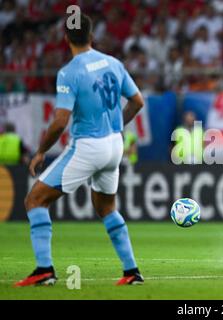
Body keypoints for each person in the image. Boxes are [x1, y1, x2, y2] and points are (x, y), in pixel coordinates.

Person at [14, 13, 145, 286]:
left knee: (35, 200)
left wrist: (40, 151)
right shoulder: (114, 63)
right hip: (114, 145)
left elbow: (60, 120)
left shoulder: (69, 72)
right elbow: (137, 101)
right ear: (92, 35)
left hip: (88, 146)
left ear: (66, 39)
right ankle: (131, 271)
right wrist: (118, 125)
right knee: (107, 207)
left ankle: (43, 269)